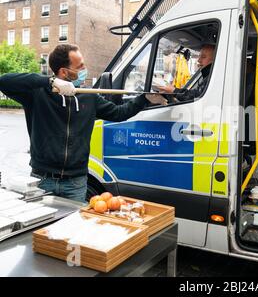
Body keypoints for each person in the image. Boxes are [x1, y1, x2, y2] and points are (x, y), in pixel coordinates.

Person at [0, 44, 166, 203]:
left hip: (76, 182)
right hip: (42, 179)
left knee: (71, 229)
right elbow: (4, 81)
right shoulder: (37, 93)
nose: (84, 69)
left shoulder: (89, 96)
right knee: (41, 230)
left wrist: (144, 99)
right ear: (64, 72)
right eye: (80, 66)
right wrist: (49, 82)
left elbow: (118, 113)